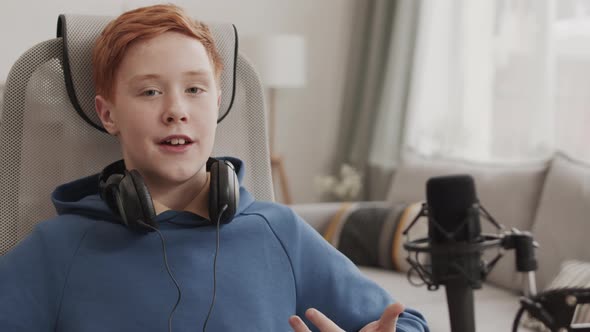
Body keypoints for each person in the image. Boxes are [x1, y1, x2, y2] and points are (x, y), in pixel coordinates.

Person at [0, 4, 428, 332]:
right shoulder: (58, 248)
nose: (176, 110)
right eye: (150, 91)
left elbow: (406, 321)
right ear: (108, 114)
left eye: (195, 89)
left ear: (218, 102)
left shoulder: (278, 232)